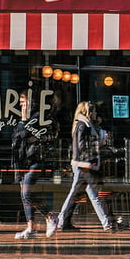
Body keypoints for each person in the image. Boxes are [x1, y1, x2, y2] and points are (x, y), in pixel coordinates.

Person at [58, 101, 112, 232]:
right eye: (93, 111)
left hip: (84, 164)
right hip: (83, 164)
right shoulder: (82, 125)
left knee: (88, 194)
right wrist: (94, 149)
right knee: (82, 194)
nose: (95, 113)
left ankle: (106, 222)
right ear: (87, 112)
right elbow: (82, 145)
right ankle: (59, 220)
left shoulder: (86, 124)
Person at [13, 91, 60, 240]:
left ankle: (50, 216)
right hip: (21, 160)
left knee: (27, 193)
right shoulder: (23, 118)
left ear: (31, 102)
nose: (20, 104)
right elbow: (17, 136)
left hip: (34, 159)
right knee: (24, 195)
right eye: (20, 102)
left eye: (23, 101)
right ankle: (31, 228)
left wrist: (26, 128)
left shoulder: (40, 117)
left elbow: (26, 134)